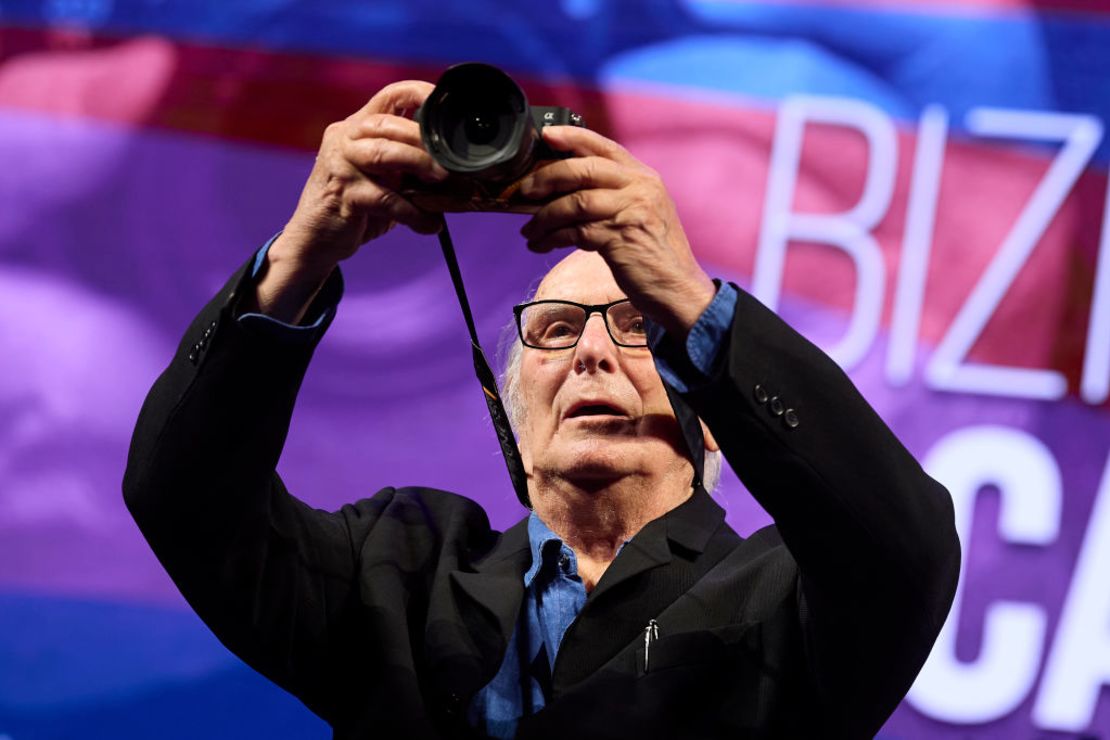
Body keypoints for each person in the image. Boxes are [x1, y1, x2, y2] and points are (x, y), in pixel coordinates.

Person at [123, 80, 960, 739]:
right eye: (556, 332)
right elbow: (184, 499)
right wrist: (303, 252)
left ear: (712, 417)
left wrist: (683, 293)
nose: (592, 352)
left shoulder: (784, 598)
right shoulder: (396, 572)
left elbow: (901, 546)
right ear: (514, 414)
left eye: (637, 329)